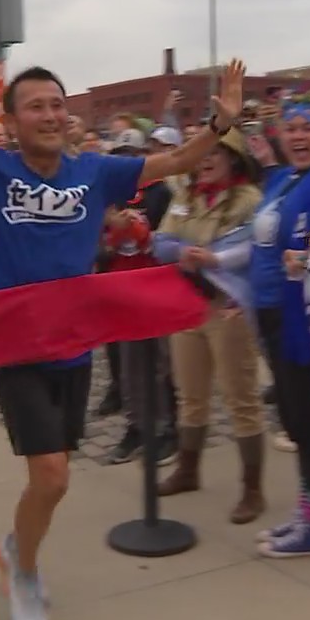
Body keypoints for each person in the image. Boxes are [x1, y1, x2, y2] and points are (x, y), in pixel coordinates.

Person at [0, 12, 245, 620]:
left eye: (57, 104)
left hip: (73, 345)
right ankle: (25, 576)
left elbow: (177, 159)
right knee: (53, 475)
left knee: (52, 480)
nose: (50, 114)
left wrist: (221, 123)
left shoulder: (95, 172)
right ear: (11, 122)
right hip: (12, 346)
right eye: (35, 106)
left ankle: (16, 547)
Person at [248, 92, 310, 558]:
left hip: (305, 320)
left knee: (308, 422)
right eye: (291, 129)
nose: (299, 136)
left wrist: (308, 260)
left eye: (308, 128)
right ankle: (308, 511)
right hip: (278, 313)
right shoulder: (291, 178)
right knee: (294, 418)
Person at [155, 127, 273, 524]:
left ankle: (252, 490)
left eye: (214, 154)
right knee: (190, 394)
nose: (204, 161)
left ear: (233, 158)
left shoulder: (249, 199)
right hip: (187, 306)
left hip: (229, 309)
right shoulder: (185, 197)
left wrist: (216, 261)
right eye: (200, 154)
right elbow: (160, 242)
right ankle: (188, 470)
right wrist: (181, 250)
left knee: (242, 399)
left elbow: (259, 250)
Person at [98, 129, 177, 466]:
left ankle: (167, 429)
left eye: (131, 154)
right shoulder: (107, 196)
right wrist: (113, 235)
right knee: (128, 366)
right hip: (121, 289)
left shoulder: (161, 192)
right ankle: (136, 426)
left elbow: (171, 241)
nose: (126, 161)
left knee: (159, 364)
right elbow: (96, 247)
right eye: (120, 155)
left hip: (155, 288)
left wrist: (141, 233)